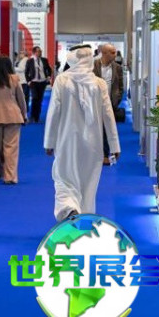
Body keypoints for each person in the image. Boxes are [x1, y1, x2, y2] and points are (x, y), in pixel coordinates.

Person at [44, 45, 120, 220]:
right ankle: (84, 221)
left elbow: (53, 112)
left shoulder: (62, 80)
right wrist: (114, 145)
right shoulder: (100, 83)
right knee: (88, 186)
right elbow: (108, 116)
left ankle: (69, 208)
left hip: (66, 141)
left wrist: (49, 142)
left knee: (64, 179)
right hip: (93, 145)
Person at [0, 55, 27, 184]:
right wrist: (24, 114)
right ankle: (10, 177)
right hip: (13, 116)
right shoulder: (15, 79)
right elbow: (21, 99)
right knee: (11, 148)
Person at [93, 43, 125, 164]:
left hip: (110, 103)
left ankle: (105, 154)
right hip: (94, 102)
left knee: (108, 129)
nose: (115, 55)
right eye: (112, 52)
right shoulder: (92, 66)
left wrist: (117, 100)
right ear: (104, 53)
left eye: (115, 52)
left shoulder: (118, 68)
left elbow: (120, 86)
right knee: (95, 129)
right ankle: (95, 154)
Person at [24, 46, 52, 123]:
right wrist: (29, 81)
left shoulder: (44, 60)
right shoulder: (30, 61)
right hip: (33, 82)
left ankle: (37, 117)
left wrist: (48, 76)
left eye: (40, 51)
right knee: (34, 98)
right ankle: (32, 116)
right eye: (38, 51)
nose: (40, 53)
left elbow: (49, 69)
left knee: (40, 100)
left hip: (42, 82)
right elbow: (26, 72)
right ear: (34, 52)